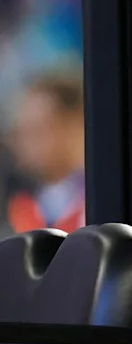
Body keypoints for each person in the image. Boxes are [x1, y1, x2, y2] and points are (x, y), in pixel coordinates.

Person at [4, 70, 85, 234]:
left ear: (73, 127)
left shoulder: (98, 204)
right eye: (21, 133)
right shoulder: (20, 208)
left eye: (37, 131)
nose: (26, 144)